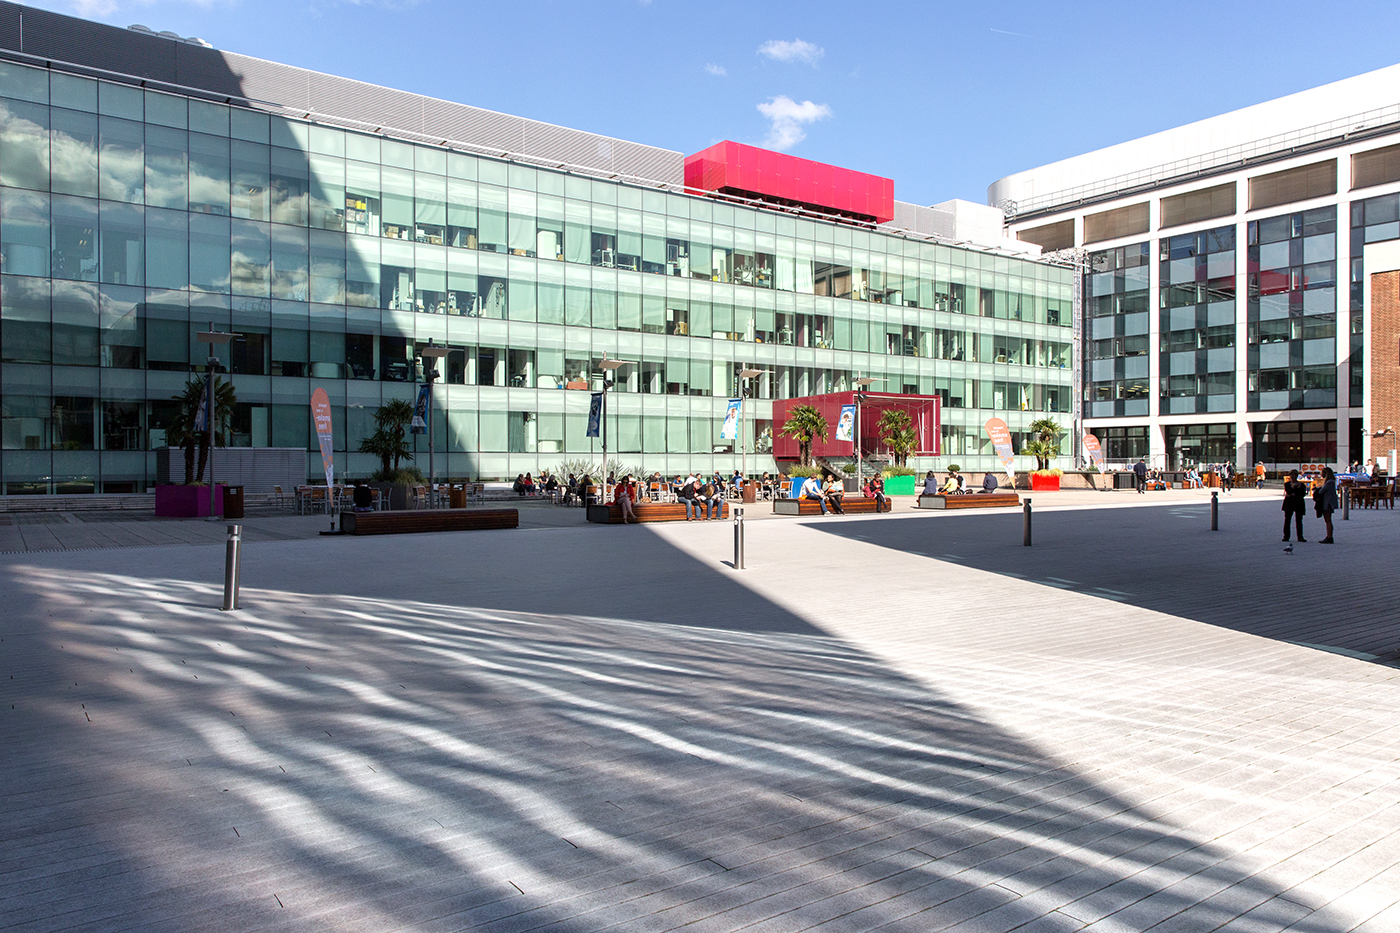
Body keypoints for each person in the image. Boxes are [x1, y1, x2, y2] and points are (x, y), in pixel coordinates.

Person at [1313, 466, 1338, 543]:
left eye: (1322, 473)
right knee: (1327, 520)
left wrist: (1317, 489)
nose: (1321, 474)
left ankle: (1329, 536)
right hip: (1328, 502)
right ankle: (1329, 536)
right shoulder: (1331, 481)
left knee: (1328, 520)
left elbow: (1321, 491)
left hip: (1328, 503)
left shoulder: (1329, 482)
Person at [1282, 468, 1307, 543]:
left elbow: (1302, 494)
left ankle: (1300, 537)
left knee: (1299, 520)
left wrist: (1293, 493)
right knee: (1287, 520)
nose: (1292, 477)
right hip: (1289, 504)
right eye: (1291, 475)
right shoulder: (1287, 484)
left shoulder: (1301, 485)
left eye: (1294, 475)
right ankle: (1286, 536)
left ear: (1296, 476)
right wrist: (1293, 488)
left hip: (1298, 504)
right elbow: (1288, 492)